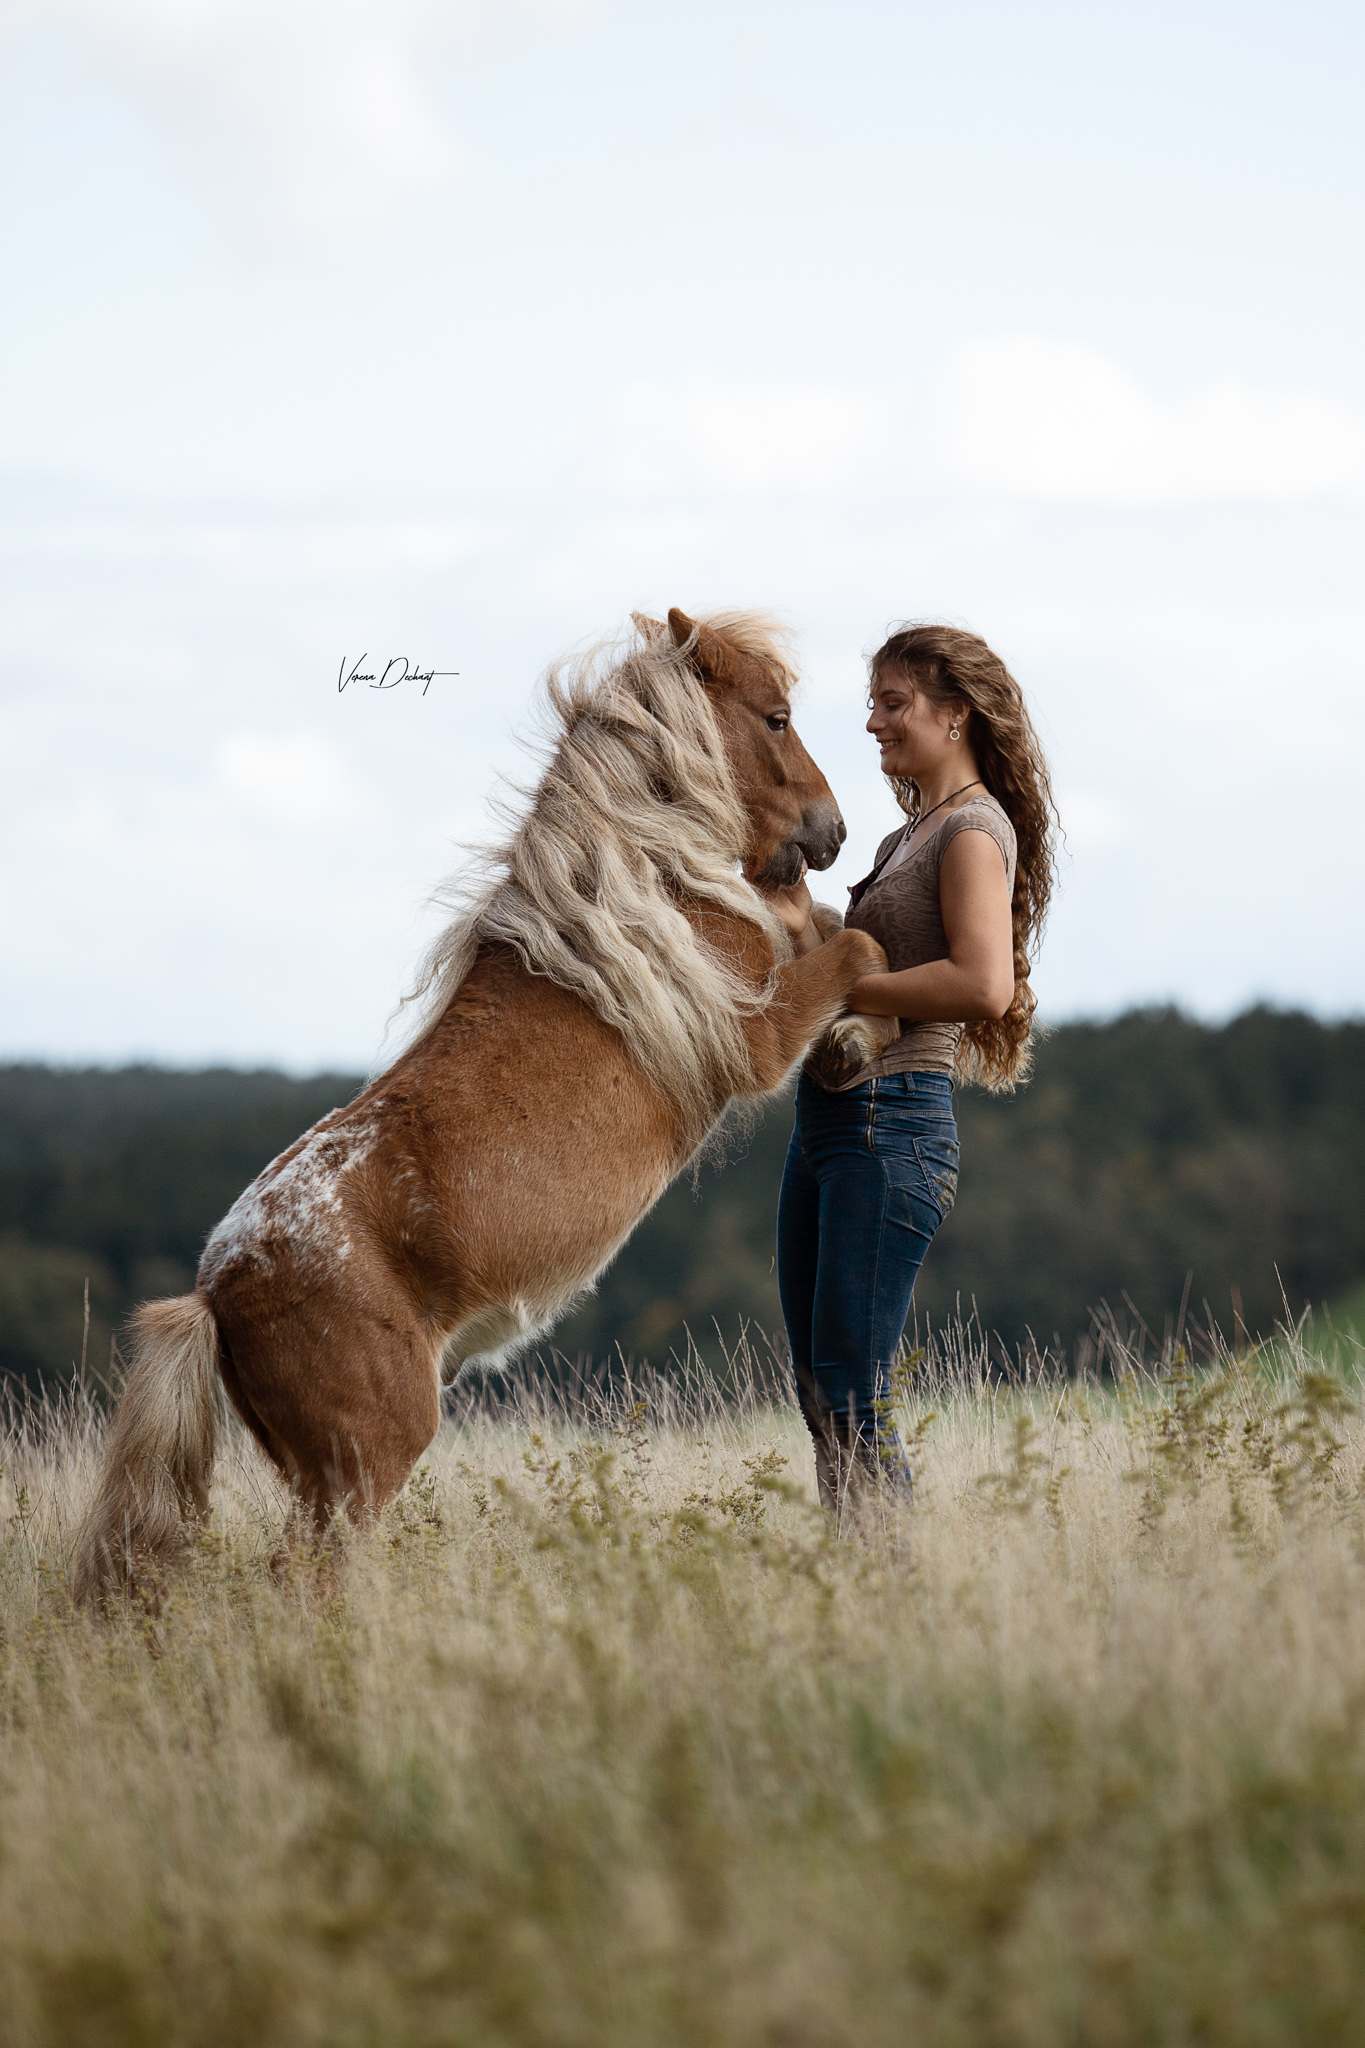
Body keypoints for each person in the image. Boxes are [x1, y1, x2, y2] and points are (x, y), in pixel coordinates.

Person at [770, 623, 1057, 1510]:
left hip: (888, 1126)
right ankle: (857, 1585)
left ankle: (891, 1590)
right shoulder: (909, 837)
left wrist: (857, 990)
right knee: (823, 1394)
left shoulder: (970, 830)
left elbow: (981, 981)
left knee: (852, 1392)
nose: (872, 725)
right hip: (828, 1127)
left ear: (954, 714)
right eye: (873, 704)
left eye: (892, 704)